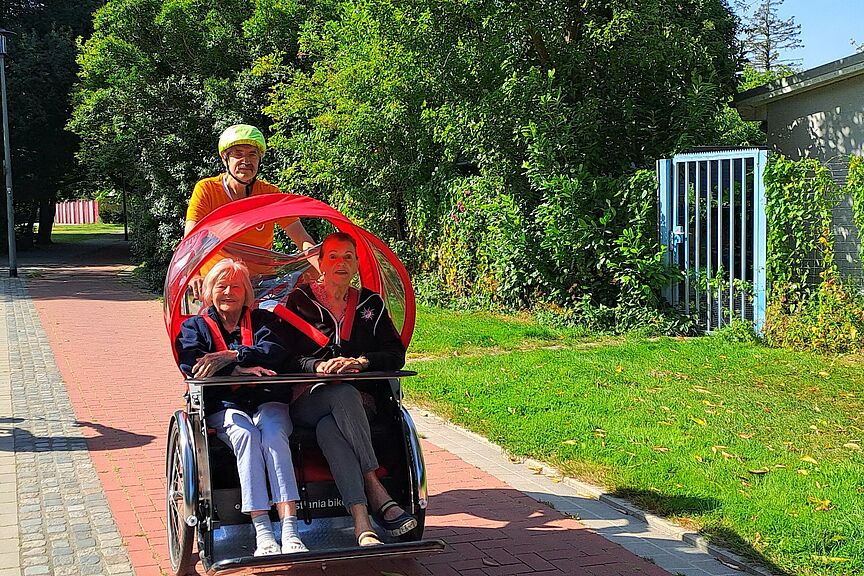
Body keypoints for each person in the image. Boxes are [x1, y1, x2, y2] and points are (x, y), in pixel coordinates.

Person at [281, 232, 417, 547]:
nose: (340, 263)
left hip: (360, 402)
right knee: (340, 395)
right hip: (308, 399)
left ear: (356, 264)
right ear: (320, 263)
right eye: (333, 256)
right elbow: (285, 357)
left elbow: (395, 355)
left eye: (348, 257)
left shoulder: (370, 304)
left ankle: (361, 521)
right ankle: (374, 485)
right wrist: (317, 367)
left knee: (333, 427)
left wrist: (362, 362)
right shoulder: (300, 301)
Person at [175, 258, 307, 556]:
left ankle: (290, 530)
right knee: (245, 434)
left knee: (273, 434)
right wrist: (237, 371)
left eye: (236, 286)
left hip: (268, 400)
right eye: (221, 286)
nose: (229, 292)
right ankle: (263, 532)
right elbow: (193, 365)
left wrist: (231, 356)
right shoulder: (195, 327)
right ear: (210, 291)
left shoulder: (263, 321)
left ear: (246, 292)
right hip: (224, 404)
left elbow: (275, 353)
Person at [185, 124, 317, 298]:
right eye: (238, 154)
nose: (246, 161)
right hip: (220, 283)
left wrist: (322, 266)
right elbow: (192, 239)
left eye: (252, 154)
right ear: (225, 159)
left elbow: (302, 238)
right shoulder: (207, 189)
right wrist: (193, 274)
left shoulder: (270, 194)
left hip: (263, 284)